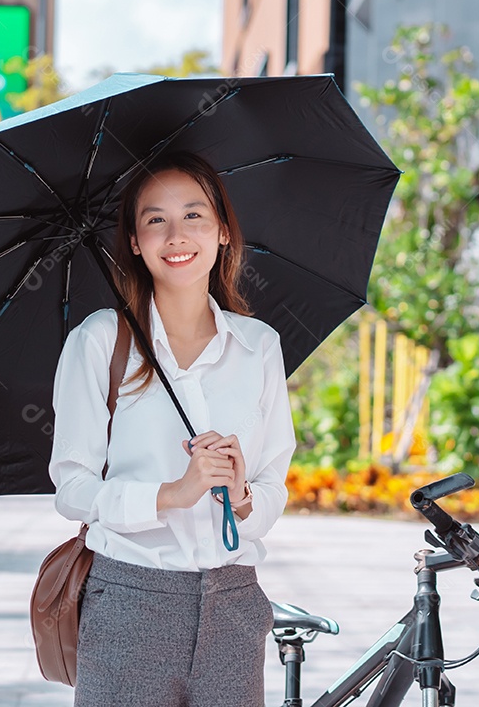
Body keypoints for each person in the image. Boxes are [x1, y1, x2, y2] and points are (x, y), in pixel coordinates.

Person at [47, 151, 296, 706]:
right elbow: (73, 488)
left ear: (223, 231)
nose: (176, 235)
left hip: (234, 607)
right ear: (134, 241)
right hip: (131, 601)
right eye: (155, 219)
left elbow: (276, 481)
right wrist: (172, 494)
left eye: (194, 216)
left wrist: (244, 495)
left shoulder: (259, 347)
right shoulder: (100, 342)